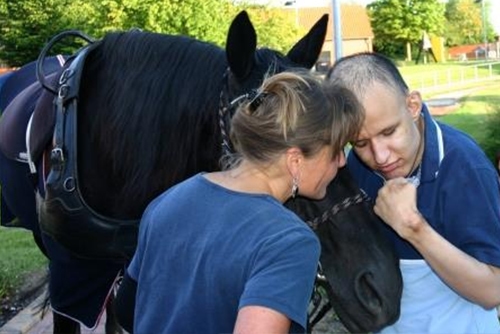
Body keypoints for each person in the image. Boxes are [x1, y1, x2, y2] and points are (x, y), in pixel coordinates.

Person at [114, 70, 364, 334]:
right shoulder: (288, 241)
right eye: (336, 150)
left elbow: (127, 310)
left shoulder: (169, 200)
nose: (342, 161)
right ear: (295, 161)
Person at [327, 52, 500, 333]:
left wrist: (414, 228)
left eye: (389, 132)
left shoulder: (463, 168)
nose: (380, 156)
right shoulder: (356, 167)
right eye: (359, 143)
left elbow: (493, 290)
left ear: (412, 105)